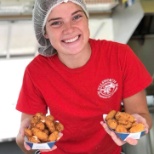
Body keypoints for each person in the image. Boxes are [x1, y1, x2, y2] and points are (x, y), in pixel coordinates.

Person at [15, 0, 153, 154]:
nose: (69, 29)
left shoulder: (120, 56)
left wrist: (140, 124)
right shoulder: (36, 71)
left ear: (87, 19)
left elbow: (141, 117)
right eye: (56, 23)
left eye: (76, 17)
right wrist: (25, 138)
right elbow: (25, 142)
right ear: (44, 32)